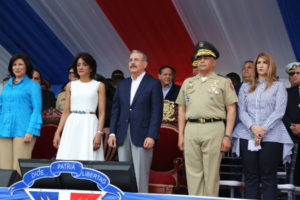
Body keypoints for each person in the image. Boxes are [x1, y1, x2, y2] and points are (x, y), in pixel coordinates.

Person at [176, 41, 238, 196]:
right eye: (199, 58)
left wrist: (227, 136)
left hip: (214, 127)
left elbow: (231, 110)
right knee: (192, 172)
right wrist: (180, 134)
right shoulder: (187, 82)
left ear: (214, 61)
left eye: (206, 57)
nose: (202, 60)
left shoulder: (223, 81)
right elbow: (181, 109)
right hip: (191, 128)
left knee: (211, 173)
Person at [232, 52, 294, 199]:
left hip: (272, 136)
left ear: (270, 66)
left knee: (268, 175)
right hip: (247, 134)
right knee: (250, 175)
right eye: (258, 63)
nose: (260, 65)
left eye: (264, 63)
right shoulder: (245, 86)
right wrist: (254, 128)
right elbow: (241, 110)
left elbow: (279, 111)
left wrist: (262, 130)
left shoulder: (278, 86)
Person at [108, 50, 163, 193]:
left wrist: (152, 135)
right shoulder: (122, 84)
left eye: (136, 60)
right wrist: (112, 132)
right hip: (122, 133)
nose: (132, 62)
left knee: (140, 175)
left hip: (143, 134)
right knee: (124, 175)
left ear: (145, 64)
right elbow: (116, 110)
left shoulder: (153, 84)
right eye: (130, 60)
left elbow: (157, 112)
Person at [53, 52, 105, 161]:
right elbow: (66, 112)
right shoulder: (70, 85)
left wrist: (99, 133)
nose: (81, 67)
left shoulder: (99, 85)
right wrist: (58, 132)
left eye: (84, 64)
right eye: (78, 64)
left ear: (91, 68)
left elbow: (101, 113)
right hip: (72, 123)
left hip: (90, 123)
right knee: (69, 156)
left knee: (88, 157)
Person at [0, 53, 42, 174]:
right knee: (4, 168)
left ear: (26, 67)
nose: (17, 67)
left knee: (18, 168)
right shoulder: (5, 86)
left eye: (20, 64)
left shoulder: (33, 85)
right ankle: (4, 193)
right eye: (14, 65)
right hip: (4, 130)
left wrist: (31, 130)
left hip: (24, 130)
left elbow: (37, 109)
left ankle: (18, 193)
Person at [283, 64, 300, 190]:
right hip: (293, 139)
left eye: (298, 73)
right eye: (293, 73)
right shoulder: (287, 93)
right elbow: (282, 114)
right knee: (293, 179)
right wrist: (291, 127)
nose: (295, 76)